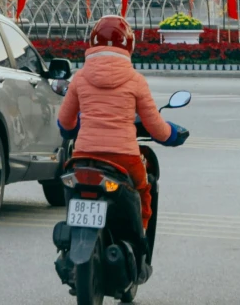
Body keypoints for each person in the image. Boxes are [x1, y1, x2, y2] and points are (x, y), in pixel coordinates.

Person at [56, 16, 182, 247]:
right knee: (144, 190)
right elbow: (155, 126)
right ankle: (140, 242)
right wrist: (172, 135)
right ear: (129, 46)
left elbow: (65, 122)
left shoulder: (80, 78)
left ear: (92, 43)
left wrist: (73, 128)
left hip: (83, 158)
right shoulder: (135, 80)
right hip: (124, 158)